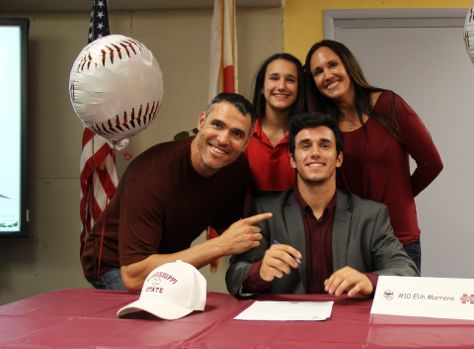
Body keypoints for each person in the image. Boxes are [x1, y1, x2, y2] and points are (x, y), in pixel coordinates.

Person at [81, 92, 272, 292]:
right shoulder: (149, 177)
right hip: (116, 264)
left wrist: (267, 257)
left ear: (246, 143)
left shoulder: (235, 168)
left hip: (163, 258)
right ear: (201, 122)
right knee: (160, 316)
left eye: (237, 134)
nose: (224, 140)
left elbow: (231, 229)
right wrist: (222, 245)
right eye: (217, 125)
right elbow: (133, 276)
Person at [226, 112, 418, 298]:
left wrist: (370, 281)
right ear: (293, 160)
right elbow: (235, 277)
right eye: (305, 145)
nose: (315, 153)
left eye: (325, 145)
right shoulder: (265, 212)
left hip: (348, 326)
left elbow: (408, 272)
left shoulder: (371, 215)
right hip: (285, 328)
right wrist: (259, 272)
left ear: (339, 158)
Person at [304, 39, 444, 273]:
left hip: (399, 237)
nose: (327, 75)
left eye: (332, 65)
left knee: (399, 311)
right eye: (318, 71)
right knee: (351, 311)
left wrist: (400, 196)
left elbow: (432, 163)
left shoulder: (389, 105)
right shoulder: (323, 126)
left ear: (348, 65)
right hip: (350, 242)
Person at [245, 53, 304, 194]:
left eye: (290, 80)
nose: (281, 86)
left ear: (299, 89)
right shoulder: (243, 133)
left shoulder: (307, 137)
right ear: (261, 87)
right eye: (274, 78)